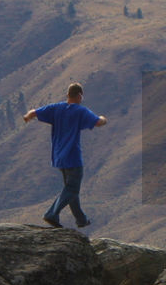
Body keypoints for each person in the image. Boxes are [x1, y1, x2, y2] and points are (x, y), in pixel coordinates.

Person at [22, 81, 107, 228]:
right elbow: (98, 122)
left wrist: (28, 116)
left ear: (67, 95)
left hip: (59, 157)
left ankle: (81, 219)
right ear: (80, 96)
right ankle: (51, 214)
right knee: (72, 189)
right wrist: (103, 118)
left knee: (71, 189)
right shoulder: (80, 111)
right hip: (73, 157)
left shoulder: (57, 108)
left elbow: (34, 112)